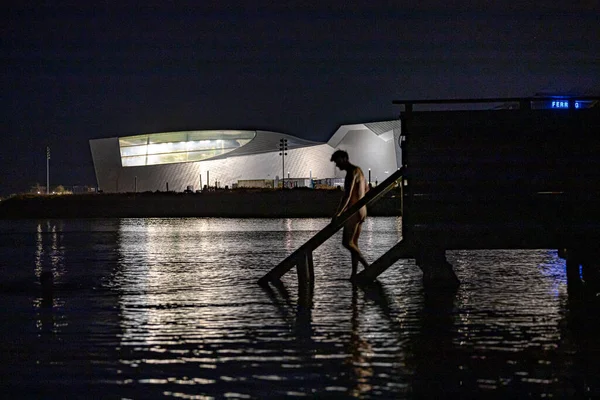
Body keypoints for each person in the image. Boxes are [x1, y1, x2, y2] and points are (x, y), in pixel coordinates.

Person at [330, 150, 369, 279]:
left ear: (343, 159)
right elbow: (367, 189)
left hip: (354, 211)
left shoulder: (351, 173)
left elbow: (347, 196)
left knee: (346, 243)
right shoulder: (360, 171)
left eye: (337, 162)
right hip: (362, 210)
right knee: (354, 244)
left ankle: (367, 266)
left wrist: (338, 214)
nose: (336, 165)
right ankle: (354, 274)